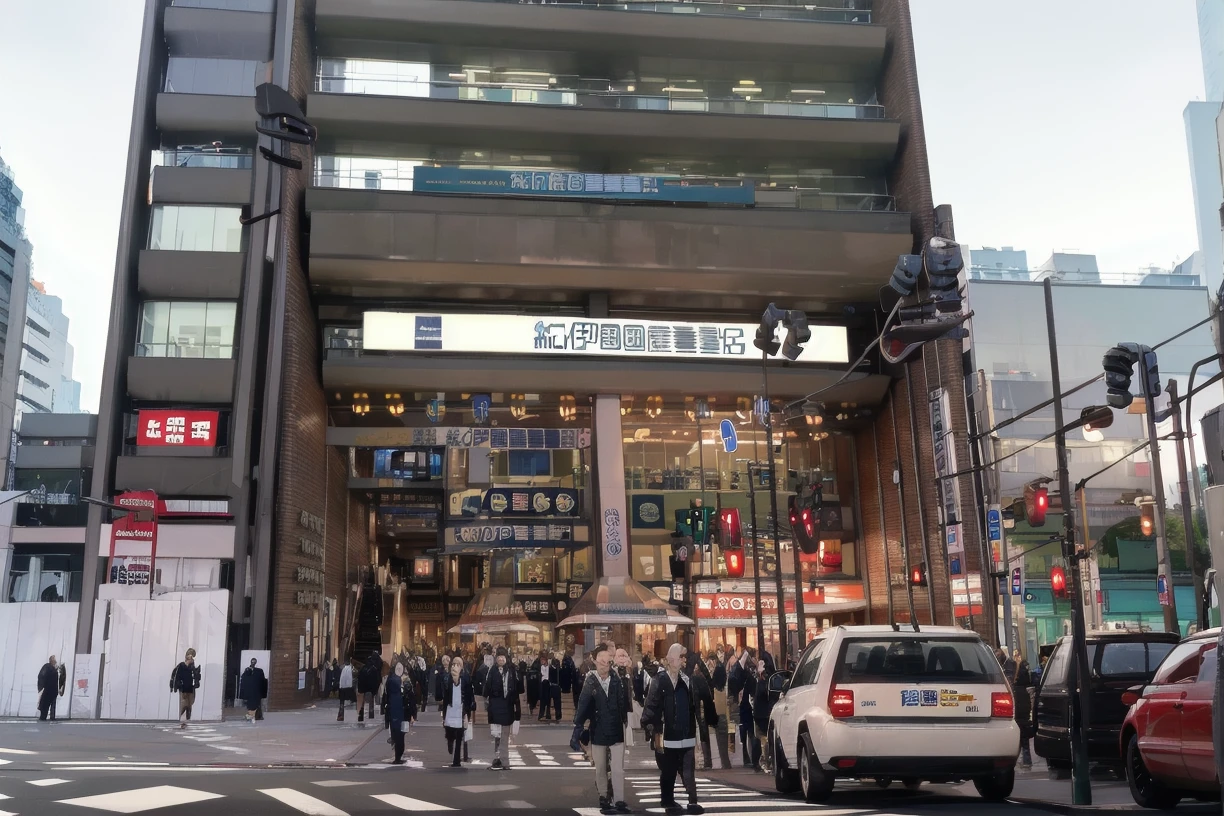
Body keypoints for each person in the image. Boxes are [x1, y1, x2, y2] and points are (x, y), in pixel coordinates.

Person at [642, 643, 703, 816]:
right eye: (680, 657)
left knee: (688, 770)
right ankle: (667, 800)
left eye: (684, 658)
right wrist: (650, 727)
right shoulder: (659, 680)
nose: (684, 660)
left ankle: (693, 801)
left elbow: (693, 706)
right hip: (665, 733)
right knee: (668, 770)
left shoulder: (687, 679)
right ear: (669, 660)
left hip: (686, 733)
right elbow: (651, 706)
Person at [574, 645, 630, 815]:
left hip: (616, 728)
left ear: (610, 663)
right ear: (596, 663)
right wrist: (579, 725)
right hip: (597, 729)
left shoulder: (618, 680)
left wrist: (624, 722)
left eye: (606, 663)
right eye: (600, 662)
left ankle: (619, 799)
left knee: (618, 768)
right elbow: (583, 704)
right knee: (600, 767)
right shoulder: (590, 681)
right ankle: (604, 796)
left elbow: (624, 703)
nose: (603, 666)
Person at [483, 646, 521, 771]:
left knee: (505, 736)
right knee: (497, 735)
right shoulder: (492, 671)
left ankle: (505, 761)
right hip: (495, 707)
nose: (500, 659)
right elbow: (486, 689)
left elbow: (517, 690)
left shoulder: (511, 671)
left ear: (506, 658)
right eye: (498, 657)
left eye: (502, 657)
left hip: (508, 707)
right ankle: (498, 759)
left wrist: (517, 708)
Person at [440, 656, 475, 768]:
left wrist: (469, 709)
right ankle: (450, 741)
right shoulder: (448, 677)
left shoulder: (466, 677)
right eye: (454, 663)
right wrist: (444, 712)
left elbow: (469, 693)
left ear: (462, 666)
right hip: (451, 709)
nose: (455, 666)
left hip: (461, 710)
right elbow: (445, 695)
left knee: (459, 735)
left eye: (458, 664)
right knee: (450, 732)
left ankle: (456, 761)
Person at [688, 655, 716, 770]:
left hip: (698, 710)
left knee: (699, 734)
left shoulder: (692, 678)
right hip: (699, 710)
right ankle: (705, 760)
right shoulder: (700, 678)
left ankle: (703, 760)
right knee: (701, 734)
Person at [386, 662, 417, 764]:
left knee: (400, 734)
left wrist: (413, 714)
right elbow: (386, 697)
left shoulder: (405, 682)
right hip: (397, 712)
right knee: (397, 734)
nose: (399, 670)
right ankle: (397, 756)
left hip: (402, 713)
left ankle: (398, 756)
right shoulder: (393, 681)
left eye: (401, 668)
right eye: (397, 668)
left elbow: (411, 699)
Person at [1011, 650, 1035, 768]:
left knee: (1019, 738)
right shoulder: (1026, 689)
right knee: (1024, 738)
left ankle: (1020, 760)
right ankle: (1026, 760)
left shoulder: (1014, 689)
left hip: (1018, 714)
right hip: (1024, 713)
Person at [170, 648, 201, 729]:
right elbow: (175, 676)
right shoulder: (181, 666)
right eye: (192, 658)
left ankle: (186, 720)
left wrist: (196, 680)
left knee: (189, 705)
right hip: (183, 689)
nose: (193, 660)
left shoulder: (192, 668)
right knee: (184, 705)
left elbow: (196, 677)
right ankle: (183, 721)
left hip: (190, 688)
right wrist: (176, 685)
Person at [357, 651, 382, 725]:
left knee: (363, 699)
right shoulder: (375, 666)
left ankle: (361, 713)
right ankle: (371, 712)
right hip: (372, 684)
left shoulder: (364, 667)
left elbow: (359, 677)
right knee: (372, 697)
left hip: (363, 684)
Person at [239, 658, 266, 723]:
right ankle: (249, 717)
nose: (253, 663)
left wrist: (262, 692)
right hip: (249, 691)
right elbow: (244, 679)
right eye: (252, 661)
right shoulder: (247, 670)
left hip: (257, 690)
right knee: (250, 705)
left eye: (254, 661)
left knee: (257, 704)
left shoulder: (259, 671)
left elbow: (262, 681)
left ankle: (257, 716)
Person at [538, 649, 560, 722]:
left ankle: (553, 714)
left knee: (553, 700)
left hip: (551, 684)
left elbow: (556, 672)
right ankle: (544, 714)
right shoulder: (539, 666)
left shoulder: (552, 665)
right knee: (544, 700)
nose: (542, 661)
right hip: (543, 684)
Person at [36, 656, 58, 722]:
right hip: (49, 689)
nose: (56, 662)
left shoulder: (50, 668)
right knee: (47, 703)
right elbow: (42, 676)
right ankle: (48, 716)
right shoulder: (49, 667)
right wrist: (42, 686)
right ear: (52, 661)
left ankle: (48, 716)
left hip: (51, 689)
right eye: (55, 660)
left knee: (48, 703)